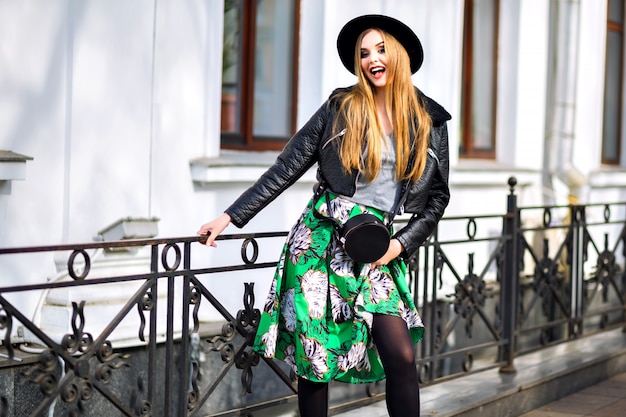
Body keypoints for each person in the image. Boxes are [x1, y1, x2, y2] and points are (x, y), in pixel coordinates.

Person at [198, 14, 451, 417]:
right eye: (364, 53)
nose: (372, 59)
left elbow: (438, 198)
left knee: (401, 355)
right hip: (320, 240)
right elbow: (287, 167)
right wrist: (229, 216)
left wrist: (401, 244)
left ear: (398, 55)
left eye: (381, 50)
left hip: (376, 246)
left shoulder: (428, 121)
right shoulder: (340, 108)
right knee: (315, 364)